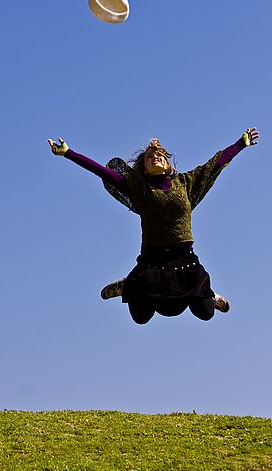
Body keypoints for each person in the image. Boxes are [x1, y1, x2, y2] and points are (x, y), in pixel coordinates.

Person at [47, 127, 259, 324]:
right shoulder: (138, 188)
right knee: (141, 316)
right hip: (152, 260)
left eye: (160, 156)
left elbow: (215, 164)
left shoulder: (185, 183)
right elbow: (102, 172)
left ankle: (210, 295)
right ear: (145, 169)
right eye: (149, 157)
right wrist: (68, 153)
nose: (155, 158)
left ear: (168, 165)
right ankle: (127, 284)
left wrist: (240, 143)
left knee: (205, 312)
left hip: (184, 258)